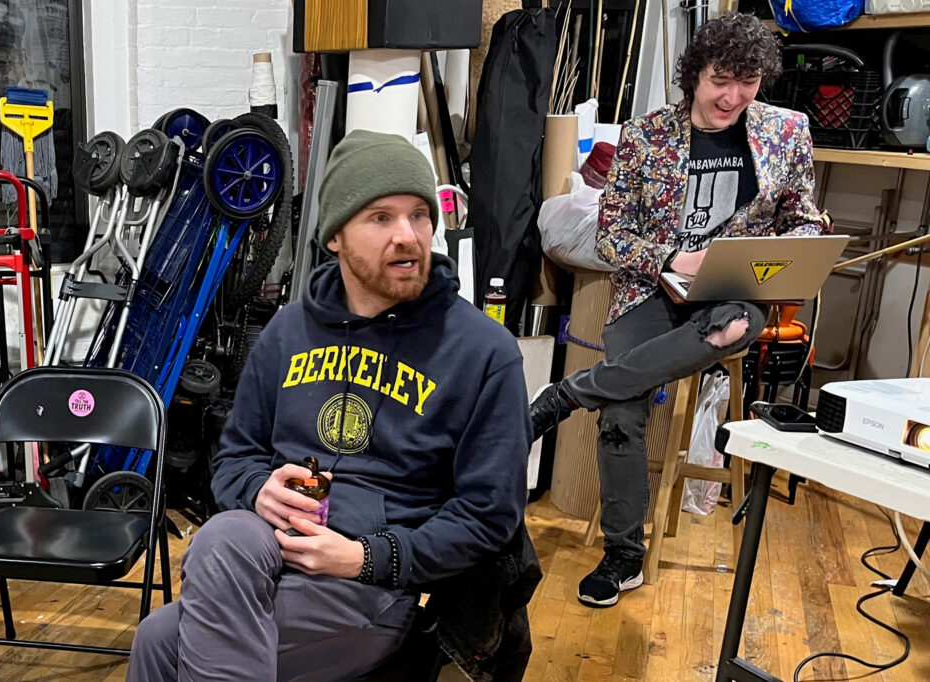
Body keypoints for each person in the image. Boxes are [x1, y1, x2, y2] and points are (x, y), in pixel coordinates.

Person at [127, 130, 533, 681]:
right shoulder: (286, 333)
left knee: (161, 641)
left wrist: (366, 557)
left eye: (419, 215)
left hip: (378, 580)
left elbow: (489, 517)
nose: (408, 237)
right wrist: (257, 491)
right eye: (381, 218)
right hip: (272, 550)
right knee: (222, 535)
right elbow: (234, 459)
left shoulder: (483, 352)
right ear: (336, 235)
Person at [529, 12, 827, 608]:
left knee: (736, 324)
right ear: (693, 75)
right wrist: (674, 257)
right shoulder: (645, 138)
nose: (733, 96)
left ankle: (567, 395)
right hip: (651, 287)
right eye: (721, 79)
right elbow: (612, 237)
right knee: (621, 411)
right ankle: (622, 555)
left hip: (739, 289)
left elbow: (798, 215)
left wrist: (806, 234)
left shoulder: (786, 131)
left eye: (748, 82)